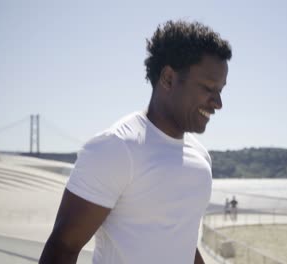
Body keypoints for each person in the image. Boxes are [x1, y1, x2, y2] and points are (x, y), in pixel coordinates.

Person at [39, 20, 232, 264]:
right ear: (168, 78)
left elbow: (179, 240)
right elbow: (63, 249)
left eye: (221, 91)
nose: (218, 103)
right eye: (208, 88)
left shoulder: (201, 157)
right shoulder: (116, 148)